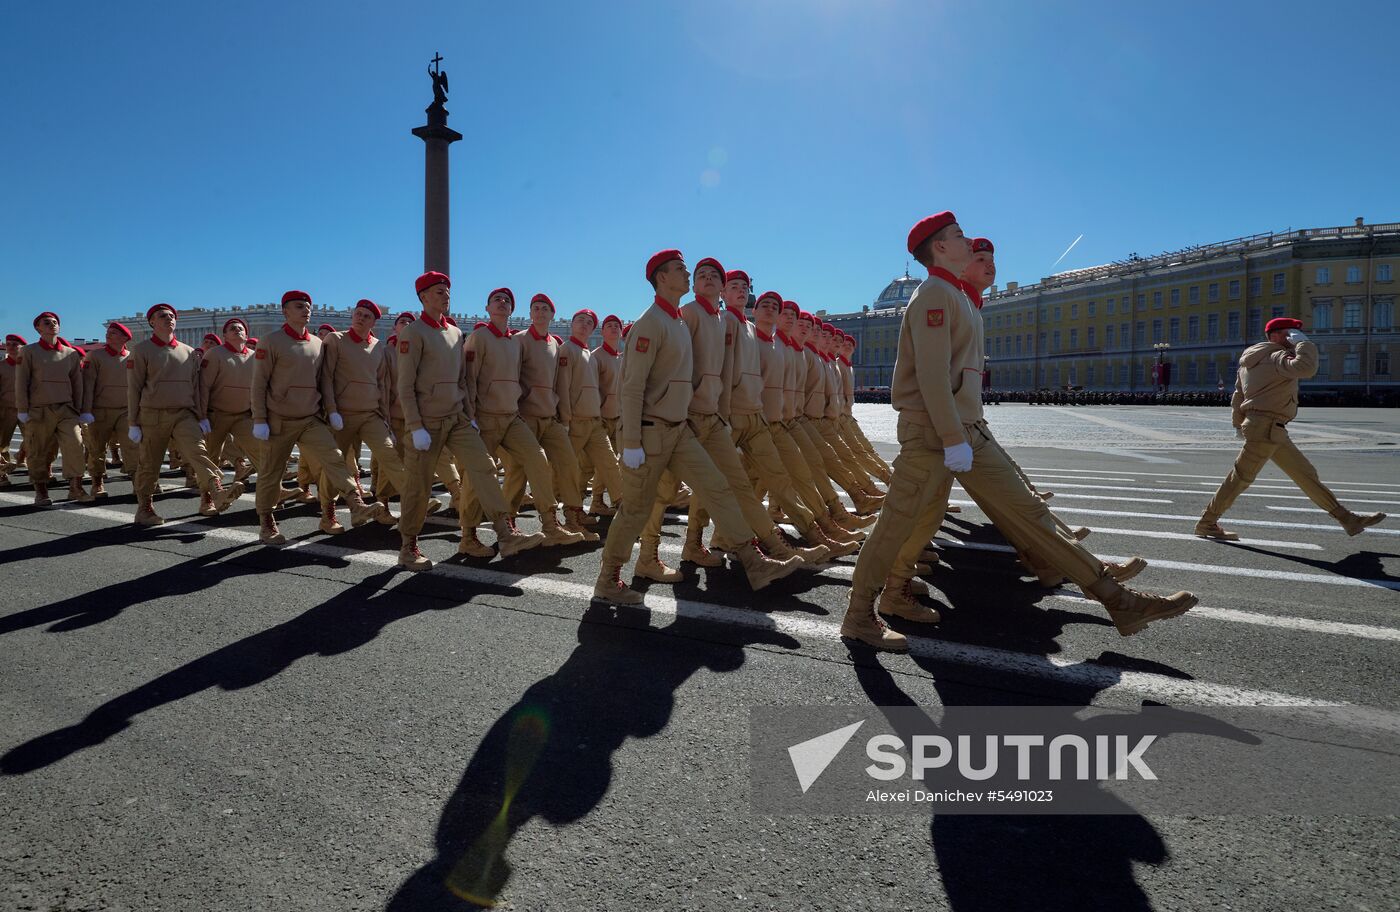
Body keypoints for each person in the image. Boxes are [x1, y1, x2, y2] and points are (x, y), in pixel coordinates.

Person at [841, 212, 1196, 651]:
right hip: (934, 434)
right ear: (939, 248)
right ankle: (860, 614)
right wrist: (953, 439)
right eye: (958, 235)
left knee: (1029, 513)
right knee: (895, 524)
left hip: (966, 431)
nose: (967, 239)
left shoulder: (958, 296)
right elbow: (932, 377)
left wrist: (966, 432)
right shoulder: (933, 293)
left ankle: (1117, 599)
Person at [592, 249, 801, 605]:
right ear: (661, 278)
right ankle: (608, 579)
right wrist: (630, 442)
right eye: (680, 270)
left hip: (679, 430)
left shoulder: (675, 321)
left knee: (717, 487)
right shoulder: (652, 322)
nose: (687, 275)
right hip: (650, 432)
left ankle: (754, 563)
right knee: (636, 509)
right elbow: (631, 385)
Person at [397, 272, 545, 569]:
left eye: (447, 291)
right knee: (418, 486)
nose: (445, 295)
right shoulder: (413, 333)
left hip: (457, 419)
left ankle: (505, 534)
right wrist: (415, 426)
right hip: (427, 422)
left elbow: (463, 380)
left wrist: (468, 414)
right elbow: (405, 385)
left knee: (484, 467)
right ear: (423, 297)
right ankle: (408, 546)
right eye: (438, 291)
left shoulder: (454, 332)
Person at [1196, 317, 1385, 539]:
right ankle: (1207, 522)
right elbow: (1306, 368)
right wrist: (1304, 344)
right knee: (1240, 479)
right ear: (1275, 335)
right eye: (1290, 333)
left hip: (1266, 428)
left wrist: (1239, 425)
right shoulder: (1277, 355)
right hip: (1267, 427)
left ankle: (1348, 519)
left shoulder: (1248, 362)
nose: (1292, 337)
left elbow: (1238, 397)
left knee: (1305, 474)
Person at [718, 271, 850, 559]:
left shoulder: (753, 332)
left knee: (781, 478)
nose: (741, 291)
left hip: (761, 418)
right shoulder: (726, 322)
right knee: (722, 485)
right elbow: (723, 370)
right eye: (734, 287)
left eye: (745, 287)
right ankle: (700, 541)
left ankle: (819, 532)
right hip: (733, 417)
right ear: (724, 294)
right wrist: (723, 415)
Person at [251, 291, 387, 545]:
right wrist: (260, 419)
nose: (306, 310)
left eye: (308, 307)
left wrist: (330, 411)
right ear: (285, 312)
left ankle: (355, 502)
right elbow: (259, 384)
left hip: (311, 418)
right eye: (299, 306)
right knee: (271, 472)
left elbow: (323, 381)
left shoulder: (317, 343)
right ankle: (267, 522)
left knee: (334, 459)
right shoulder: (271, 341)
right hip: (279, 420)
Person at [460, 287, 583, 552]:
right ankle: (468, 537)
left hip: (511, 416)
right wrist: (471, 417)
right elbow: (469, 379)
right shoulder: (479, 337)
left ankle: (550, 525)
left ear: (512, 310)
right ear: (488, 307)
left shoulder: (513, 342)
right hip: (485, 418)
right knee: (478, 475)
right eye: (497, 300)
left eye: (507, 301)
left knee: (537, 459)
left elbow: (517, 378)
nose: (502, 303)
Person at [319, 298, 428, 534]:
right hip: (342, 415)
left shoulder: (378, 347)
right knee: (336, 463)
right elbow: (325, 377)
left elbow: (383, 384)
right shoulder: (336, 340)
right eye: (358, 313)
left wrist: (386, 420)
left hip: (371, 414)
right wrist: (332, 410)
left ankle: (414, 503)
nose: (361, 318)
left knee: (390, 456)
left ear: (374, 322)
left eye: (367, 316)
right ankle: (328, 514)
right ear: (352, 316)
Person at [127, 304, 243, 524]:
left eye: (172, 316)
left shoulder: (189, 351)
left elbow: (196, 387)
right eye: (162, 316)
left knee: (198, 452)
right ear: (152, 322)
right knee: (149, 463)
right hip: (153, 414)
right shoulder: (142, 350)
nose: (169, 319)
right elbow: (134, 388)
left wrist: (201, 416)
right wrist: (133, 422)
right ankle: (145, 508)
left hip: (184, 414)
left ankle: (216, 490)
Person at [501, 293, 596, 540]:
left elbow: (559, 384)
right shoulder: (518, 341)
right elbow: (510, 376)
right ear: (530, 314)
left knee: (568, 463)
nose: (540, 312)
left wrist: (562, 418)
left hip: (549, 417)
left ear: (552, 315)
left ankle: (573, 519)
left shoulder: (555, 343)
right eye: (536, 308)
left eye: (545, 308)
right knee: (518, 472)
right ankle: (510, 525)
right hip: (524, 417)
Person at [15, 313, 87, 505]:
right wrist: (23, 408)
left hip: (66, 409)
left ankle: (75, 487)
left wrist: (79, 409)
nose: (52, 325)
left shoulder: (70, 353)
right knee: (38, 450)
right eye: (47, 323)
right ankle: (41, 490)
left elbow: (77, 383)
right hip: (39, 410)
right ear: (38, 328)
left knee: (75, 444)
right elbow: (21, 382)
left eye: (55, 322)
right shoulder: (29, 352)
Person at [559, 308, 622, 528]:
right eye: (580, 320)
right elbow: (563, 387)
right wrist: (565, 421)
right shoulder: (568, 349)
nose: (584, 324)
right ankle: (569, 516)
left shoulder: (587, 354)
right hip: (577, 421)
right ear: (572, 324)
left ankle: (625, 509)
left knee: (610, 464)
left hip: (594, 421)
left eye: (589, 322)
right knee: (572, 470)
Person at [82, 322, 138, 496]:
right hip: (100, 411)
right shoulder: (95, 356)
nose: (109, 335)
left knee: (132, 448)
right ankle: (97, 483)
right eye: (108, 332)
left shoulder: (132, 357)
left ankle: (138, 483)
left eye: (114, 333)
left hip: (125, 411)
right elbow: (88, 384)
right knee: (97, 448)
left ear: (124, 338)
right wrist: (86, 410)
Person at [587, 313, 625, 516]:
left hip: (619, 418)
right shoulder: (596, 356)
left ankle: (598, 501)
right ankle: (599, 500)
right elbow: (592, 388)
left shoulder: (622, 358)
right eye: (609, 326)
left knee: (615, 461)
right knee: (606, 461)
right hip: (601, 418)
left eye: (616, 326)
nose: (613, 329)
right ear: (602, 332)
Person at [0, 334, 24, 482]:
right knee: (2, 444)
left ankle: (22, 455)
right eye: (8, 344)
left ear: (22, 347)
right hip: (6, 409)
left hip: (26, 410)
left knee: (35, 440)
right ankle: (2, 474)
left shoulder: (29, 366)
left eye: (15, 344)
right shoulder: (1, 366)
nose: (11, 347)